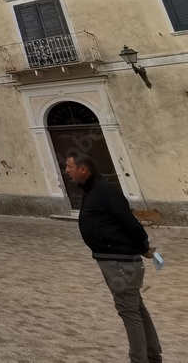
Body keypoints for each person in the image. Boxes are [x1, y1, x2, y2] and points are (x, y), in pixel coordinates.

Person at [64, 154, 162, 363]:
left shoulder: (104, 190)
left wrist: (143, 246)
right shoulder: (92, 189)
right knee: (136, 308)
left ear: (83, 169)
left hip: (119, 261)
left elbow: (129, 221)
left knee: (129, 311)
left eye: (69, 166)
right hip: (114, 258)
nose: (66, 170)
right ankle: (153, 356)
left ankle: (140, 359)